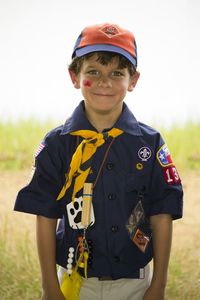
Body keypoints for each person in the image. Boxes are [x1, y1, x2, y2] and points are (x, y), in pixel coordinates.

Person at [14, 23, 183, 300]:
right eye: (93, 72)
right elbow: (46, 216)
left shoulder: (150, 144)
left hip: (137, 283)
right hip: (75, 282)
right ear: (74, 76)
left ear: (133, 80)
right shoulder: (57, 144)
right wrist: (49, 288)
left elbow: (162, 215)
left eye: (117, 73)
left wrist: (159, 286)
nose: (105, 82)